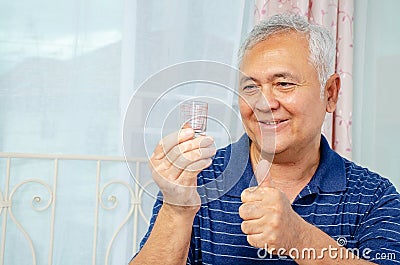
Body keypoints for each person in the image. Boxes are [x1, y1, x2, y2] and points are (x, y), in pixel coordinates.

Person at [130, 13, 400, 264]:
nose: (264, 103)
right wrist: (177, 210)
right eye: (250, 87)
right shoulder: (199, 179)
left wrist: (299, 237)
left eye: (283, 84)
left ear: (330, 93)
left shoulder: (374, 196)